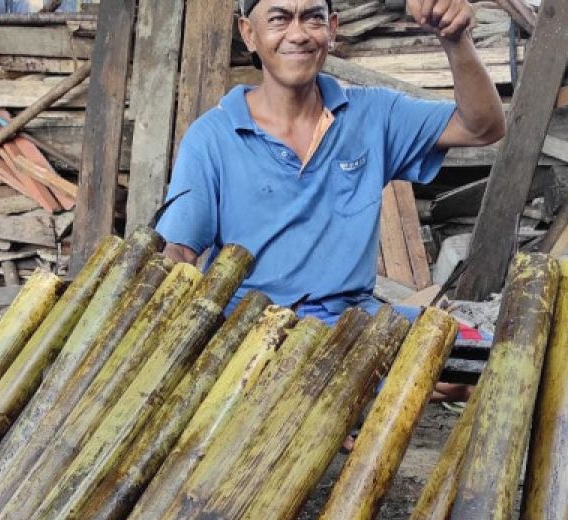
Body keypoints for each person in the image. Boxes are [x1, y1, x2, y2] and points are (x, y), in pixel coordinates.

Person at [156, 0, 507, 398]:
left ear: (333, 28)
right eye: (279, 19)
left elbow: (483, 127)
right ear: (248, 34)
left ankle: (367, 390)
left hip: (355, 324)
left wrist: (455, 39)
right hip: (253, 333)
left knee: (482, 363)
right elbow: (178, 254)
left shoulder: (372, 114)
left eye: (313, 18)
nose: (298, 33)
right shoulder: (213, 137)